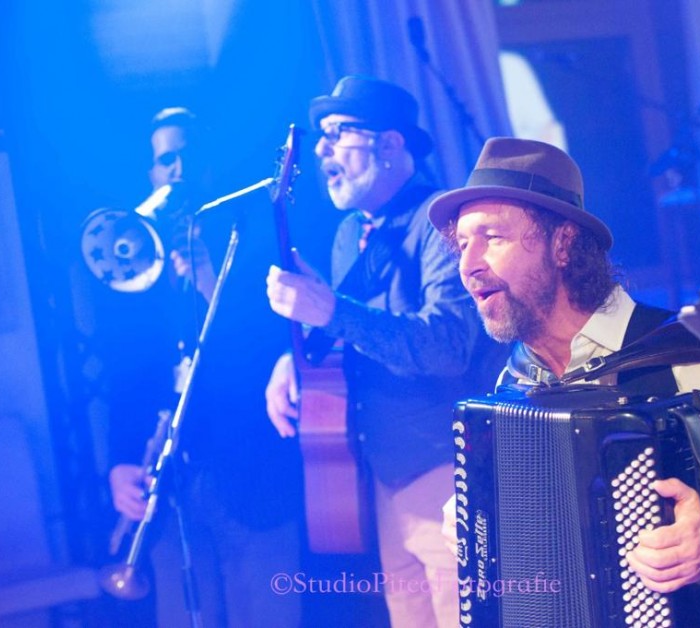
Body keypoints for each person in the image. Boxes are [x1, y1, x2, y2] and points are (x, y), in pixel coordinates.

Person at [427, 137, 700, 595]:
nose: (469, 265)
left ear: (562, 244)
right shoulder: (516, 380)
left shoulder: (683, 350)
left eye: (493, 238)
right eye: (462, 244)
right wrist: (473, 513)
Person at [264, 76, 507, 628]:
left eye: (338, 133)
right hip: (384, 473)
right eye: (321, 137)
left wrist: (331, 311)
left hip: (447, 470)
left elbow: (446, 347)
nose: (322, 150)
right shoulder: (351, 232)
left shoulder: (442, 222)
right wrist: (294, 357)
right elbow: (355, 333)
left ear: (390, 144)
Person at [104, 107, 302, 627]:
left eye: (189, 155)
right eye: (167, 159)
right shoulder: (133, 260)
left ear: (211, 165)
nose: (179, 169)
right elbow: (125, 374)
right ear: (151, 174)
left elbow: (283, 347)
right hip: (171, 486)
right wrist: (119, 462)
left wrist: (212, 284)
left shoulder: (258, 234)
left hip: (251, 474)